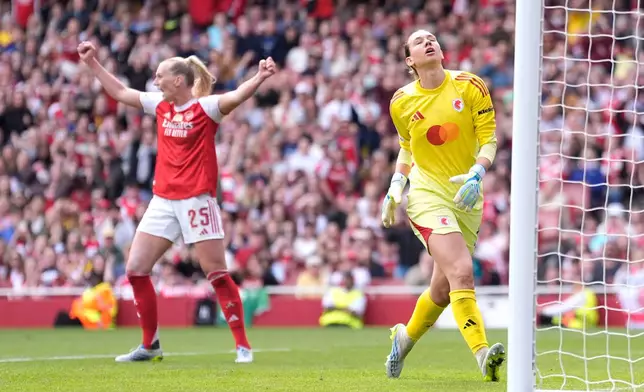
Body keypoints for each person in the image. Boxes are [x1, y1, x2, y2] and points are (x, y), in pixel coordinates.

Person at [76, 41, 276, 363]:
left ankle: (242, 345)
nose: (155, 82)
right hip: (163, 200)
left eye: (160, 77)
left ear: (178, 81)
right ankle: (150, 345)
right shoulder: (159, 105)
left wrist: (260, 77)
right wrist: (93, 64)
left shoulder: (206, 108)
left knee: (216, 273)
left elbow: (237, 96)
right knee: (136, 269)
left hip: (197, 201)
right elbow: (121, 93)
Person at [380, 30, 505, 381]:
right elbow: (407, 146)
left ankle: (403, 340)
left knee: (442, 289)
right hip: (426, 195)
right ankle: (483, 356)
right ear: (410, 61)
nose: (428, 42)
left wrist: (477, 173)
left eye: (431, 38)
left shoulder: (470, 85)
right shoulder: (402, 101)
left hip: (466, 195)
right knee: (463, 272)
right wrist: (396, 185)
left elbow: (489, 139)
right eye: (419, 42)